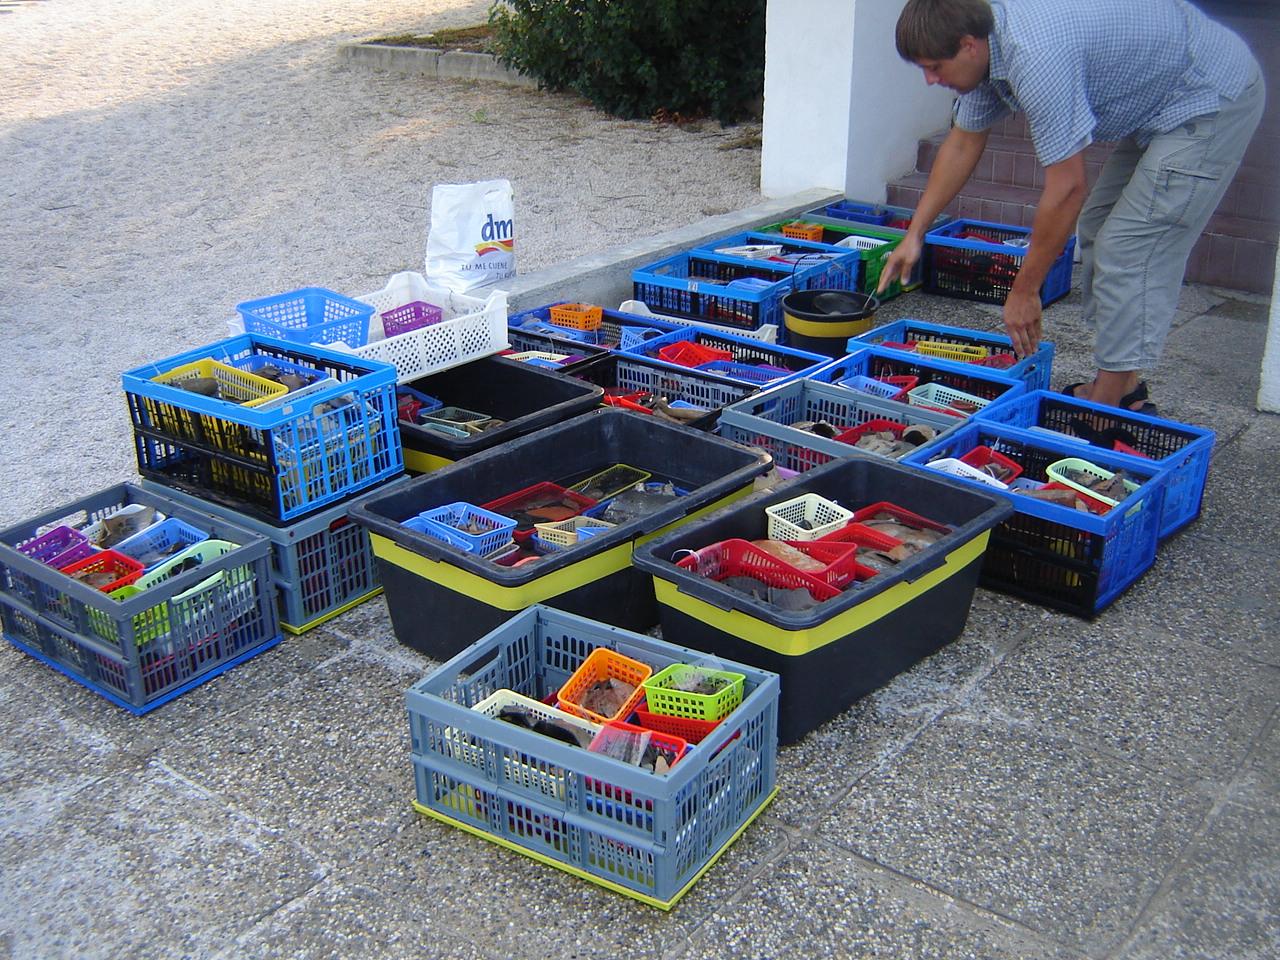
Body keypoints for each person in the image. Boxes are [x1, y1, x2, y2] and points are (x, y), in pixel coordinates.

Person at [876, 0, 1264, 411]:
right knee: (1099, 225)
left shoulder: (1036, 57)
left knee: (1129, 247)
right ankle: (1123, 382)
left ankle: (1106, 410)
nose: (929, 80)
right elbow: (962, 142)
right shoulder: (987, 47)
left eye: (935, 66)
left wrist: (1025, 291)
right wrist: (914, 234)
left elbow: (1067, 190)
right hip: (1162, 97)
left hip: (1209, 97)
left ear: (969, 45)